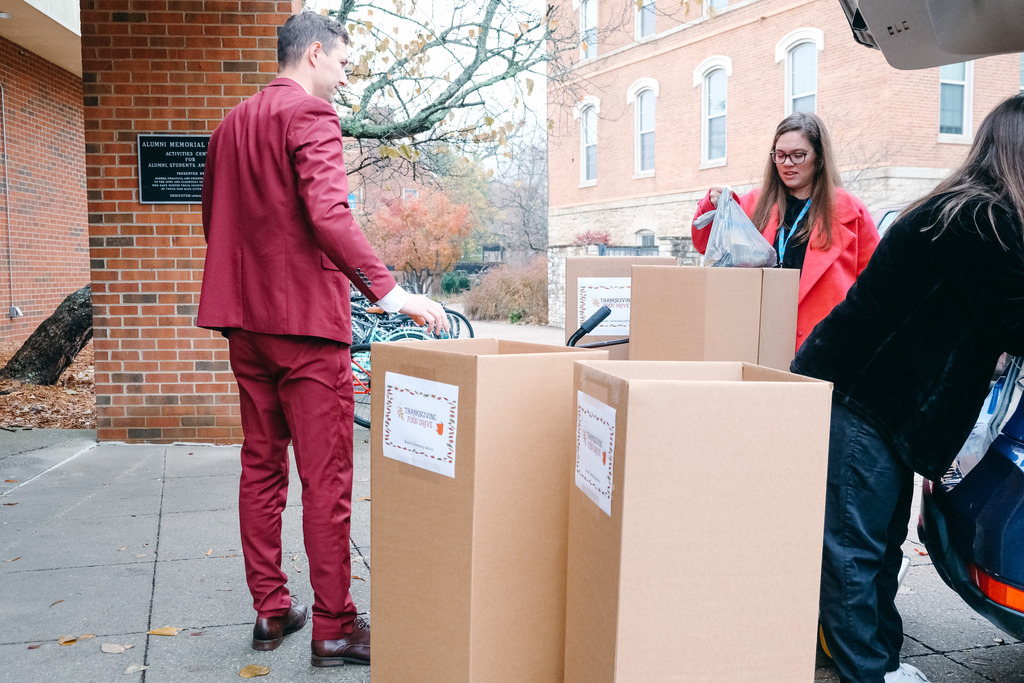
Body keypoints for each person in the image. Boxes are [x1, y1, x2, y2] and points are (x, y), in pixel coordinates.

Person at [197, 11, 447, 667]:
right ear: (314, 53)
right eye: (343, 62)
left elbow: (213, 221)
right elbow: (329, 213)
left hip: (245, 327)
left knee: (261, 469)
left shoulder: (227, 128)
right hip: (306, 329)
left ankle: (271, 607)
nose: (345, 75)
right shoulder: (309, 117)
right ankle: (334, 625)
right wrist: (392, 295)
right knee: (326, 480)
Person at [792, 92, 1024, 683]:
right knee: (855, 550)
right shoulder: (983, 221)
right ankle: (866, 672)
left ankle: (880, 664)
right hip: (860, 397)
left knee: (876, 545)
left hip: (872, 399)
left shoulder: (962, 209)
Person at [690, 112, 879, 351]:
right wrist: (711, 204)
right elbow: (706, 246)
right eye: (780, 155)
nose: (788, 163)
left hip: (825, 346)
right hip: (757, 340)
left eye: (798, 155)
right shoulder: (751, 205)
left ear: (819, 158)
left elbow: (875, 284)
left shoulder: (851, 212)